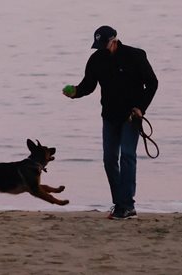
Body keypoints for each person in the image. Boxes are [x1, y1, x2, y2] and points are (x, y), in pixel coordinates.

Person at [62, 25, 158, 220]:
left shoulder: (136, 55)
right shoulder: (96, 59)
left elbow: (152, 83)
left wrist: (140, 107)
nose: (101, 49)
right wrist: (75, 92)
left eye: (104, 44)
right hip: (109, 115)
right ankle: (120, 203)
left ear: (114, 40)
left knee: (128, 156)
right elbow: (88, 85)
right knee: (109, 159)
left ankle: (128, 205)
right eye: (98, 45)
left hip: (131, 116)